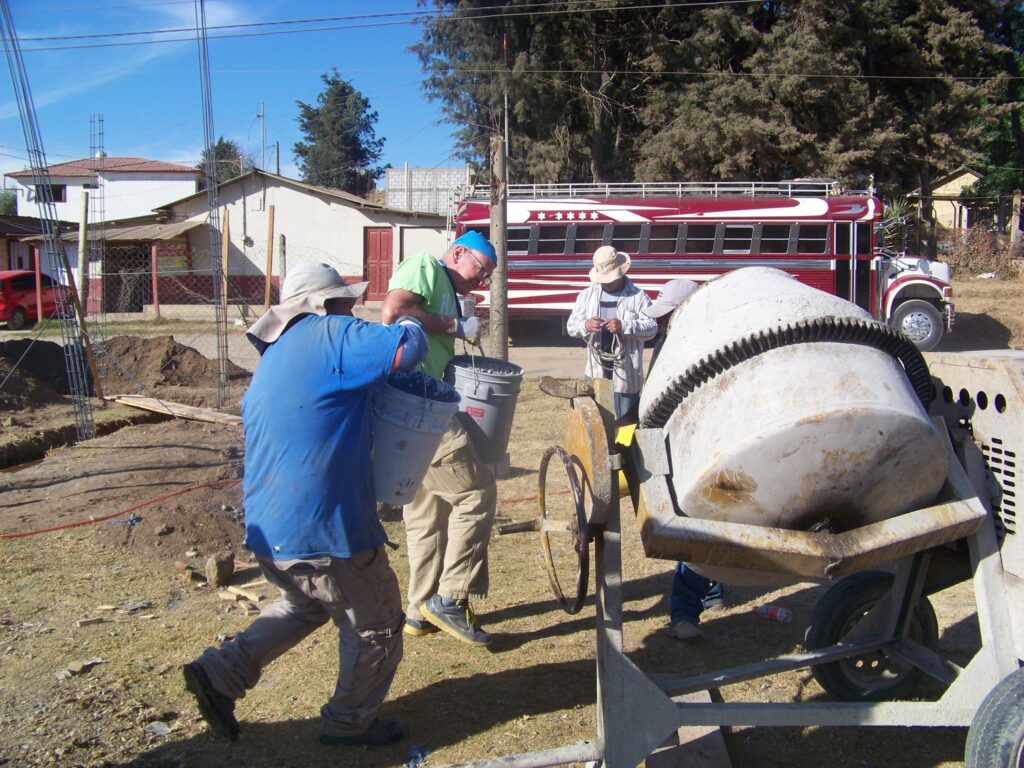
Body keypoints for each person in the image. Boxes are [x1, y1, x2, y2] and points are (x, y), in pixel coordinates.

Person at [183, 261, 431, 747]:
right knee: (376, 624)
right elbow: (408, 348)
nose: (352, 308)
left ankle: (219, 673)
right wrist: (406, 315)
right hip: (325, 529)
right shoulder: (330, 334)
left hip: (270, 529)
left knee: (304, 603)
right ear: (323, 305)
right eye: (345, 301)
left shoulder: (278, 353)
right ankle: (349, 723)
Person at [380, 231, 499, 648]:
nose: (482, 281)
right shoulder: (425, 267)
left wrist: (454, 326)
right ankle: (450, 599)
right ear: (458, 252)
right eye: (480, 270)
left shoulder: (446, 288)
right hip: (421, 405)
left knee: (426, 513)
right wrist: (452, 324)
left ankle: (419, 609)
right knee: (476, 494)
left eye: (487, 277)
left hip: (413, 407)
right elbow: (394, 312)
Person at [641, 278, 723, 640]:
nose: (660, 322)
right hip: (675, 439)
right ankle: (697, 601)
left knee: (709, 516)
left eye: (667, 315)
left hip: (703, 439)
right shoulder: (671, 341)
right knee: (699, 518)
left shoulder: (707, 340)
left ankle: (699, 599)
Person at [567, 246, 657, 422]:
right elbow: (572, 326)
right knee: (597, 420)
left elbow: (651, 328)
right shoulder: (586, 296)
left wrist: (624, 326)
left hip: (627, 374)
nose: (606, 282)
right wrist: (586, 324)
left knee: (626, 423)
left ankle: (625, 449)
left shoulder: (638, 297)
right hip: (595, 371)